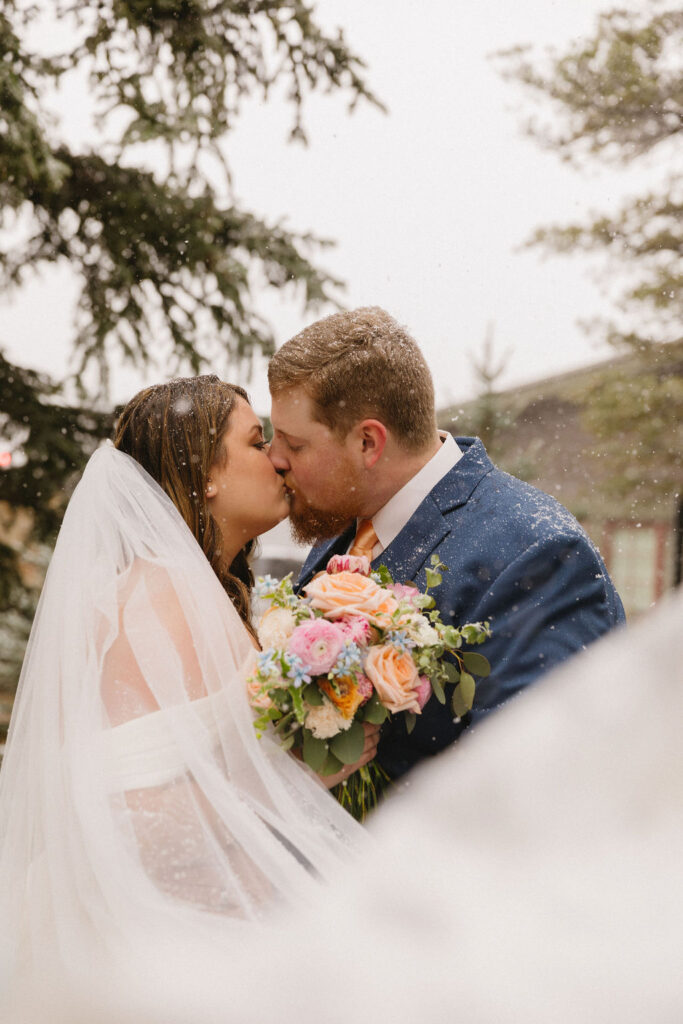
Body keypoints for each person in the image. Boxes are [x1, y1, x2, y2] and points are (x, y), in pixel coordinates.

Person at [0, 376, 370, 1004]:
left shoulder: (202, 590)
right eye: (258, 443)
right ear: (206, 477)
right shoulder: (158, 598)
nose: (279, 459)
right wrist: (299, 782)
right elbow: (126, 817)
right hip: (154, 955)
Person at [267, 307, 626, 786]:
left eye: (294, 443)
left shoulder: (538, 553)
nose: (274, 458)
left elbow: (539, 789)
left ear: (368, 443)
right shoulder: (342, 523)